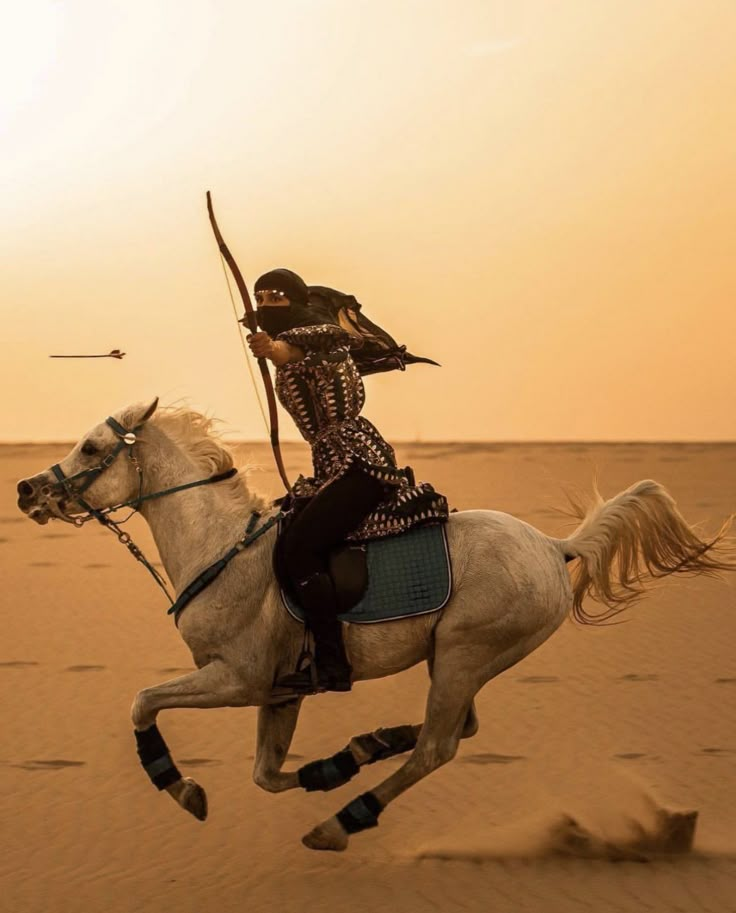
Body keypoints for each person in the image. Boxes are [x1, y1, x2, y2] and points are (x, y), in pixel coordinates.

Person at [247, 268, 449, 694]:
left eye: (276, 298)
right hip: (330, 467)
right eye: (260, 298)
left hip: (359, 463)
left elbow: (295, 353)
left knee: (301, 548)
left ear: (298, 302)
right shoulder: (302, 342)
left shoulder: (329, 344)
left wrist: (274, 348)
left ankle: (333, 663)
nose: (266, 305)